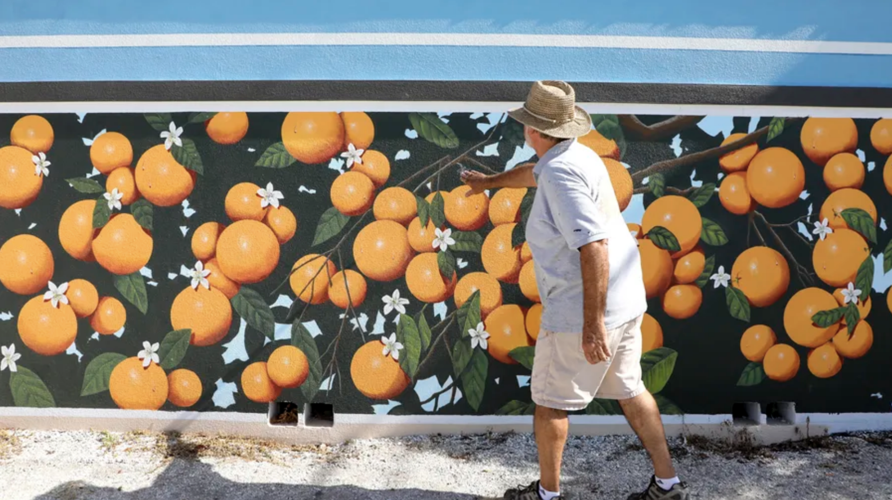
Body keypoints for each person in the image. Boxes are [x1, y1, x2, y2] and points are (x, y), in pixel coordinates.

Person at [462, 81, 689, 500]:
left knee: (550, 403)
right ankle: (668, 484)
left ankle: (547, 495)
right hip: (625, 301)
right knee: (631, 389)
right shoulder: (576, 155)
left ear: (534, 130)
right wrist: (489, 182)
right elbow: (533, 173)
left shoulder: (562, 173)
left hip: (580, 311)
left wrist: (591, 325)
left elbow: (594, 246)